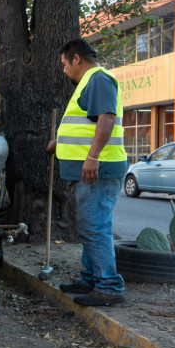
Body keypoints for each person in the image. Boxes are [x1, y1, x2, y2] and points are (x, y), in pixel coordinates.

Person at [47, 39, 127, 306]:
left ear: (76, 58)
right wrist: (61, 142)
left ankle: (109, 286)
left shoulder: (98, 80)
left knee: (94, 226)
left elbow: (107, 119)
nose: (63, 70)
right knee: (90, 225)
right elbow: (89, 124)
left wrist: (92, 158)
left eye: (63, 64)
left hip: (99, 171)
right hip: (92, 171)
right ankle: (91, 278)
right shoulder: (90, 82)